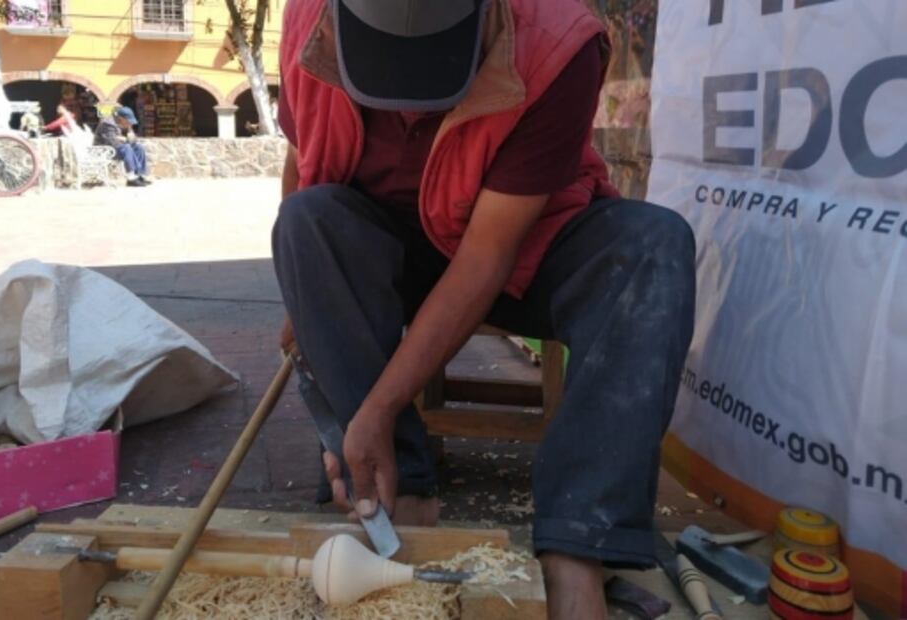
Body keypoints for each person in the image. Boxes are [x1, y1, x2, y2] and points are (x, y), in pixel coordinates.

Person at [272, 0, 696, 618]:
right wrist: (302, 298)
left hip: (519, 245)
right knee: (307, 224)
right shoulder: (307, 20)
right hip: (386, 249)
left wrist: (380, 405)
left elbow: (484, 260)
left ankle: (580, 542)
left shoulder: (557, 43)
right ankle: (400, 493)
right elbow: (302, 152)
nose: (411, 107)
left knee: (652, 247)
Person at [95, 106, 151, 187]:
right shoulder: (107, 123)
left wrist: (129, 132)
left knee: (138, 147)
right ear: (121, 118)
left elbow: (131, 139)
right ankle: (131, 178)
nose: (130, 123)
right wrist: (126, 139)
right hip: (103, 151)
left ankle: (139, 175)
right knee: (126, 148)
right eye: (128, 121)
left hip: (115, 149)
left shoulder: (122, 123)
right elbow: (112, 141)